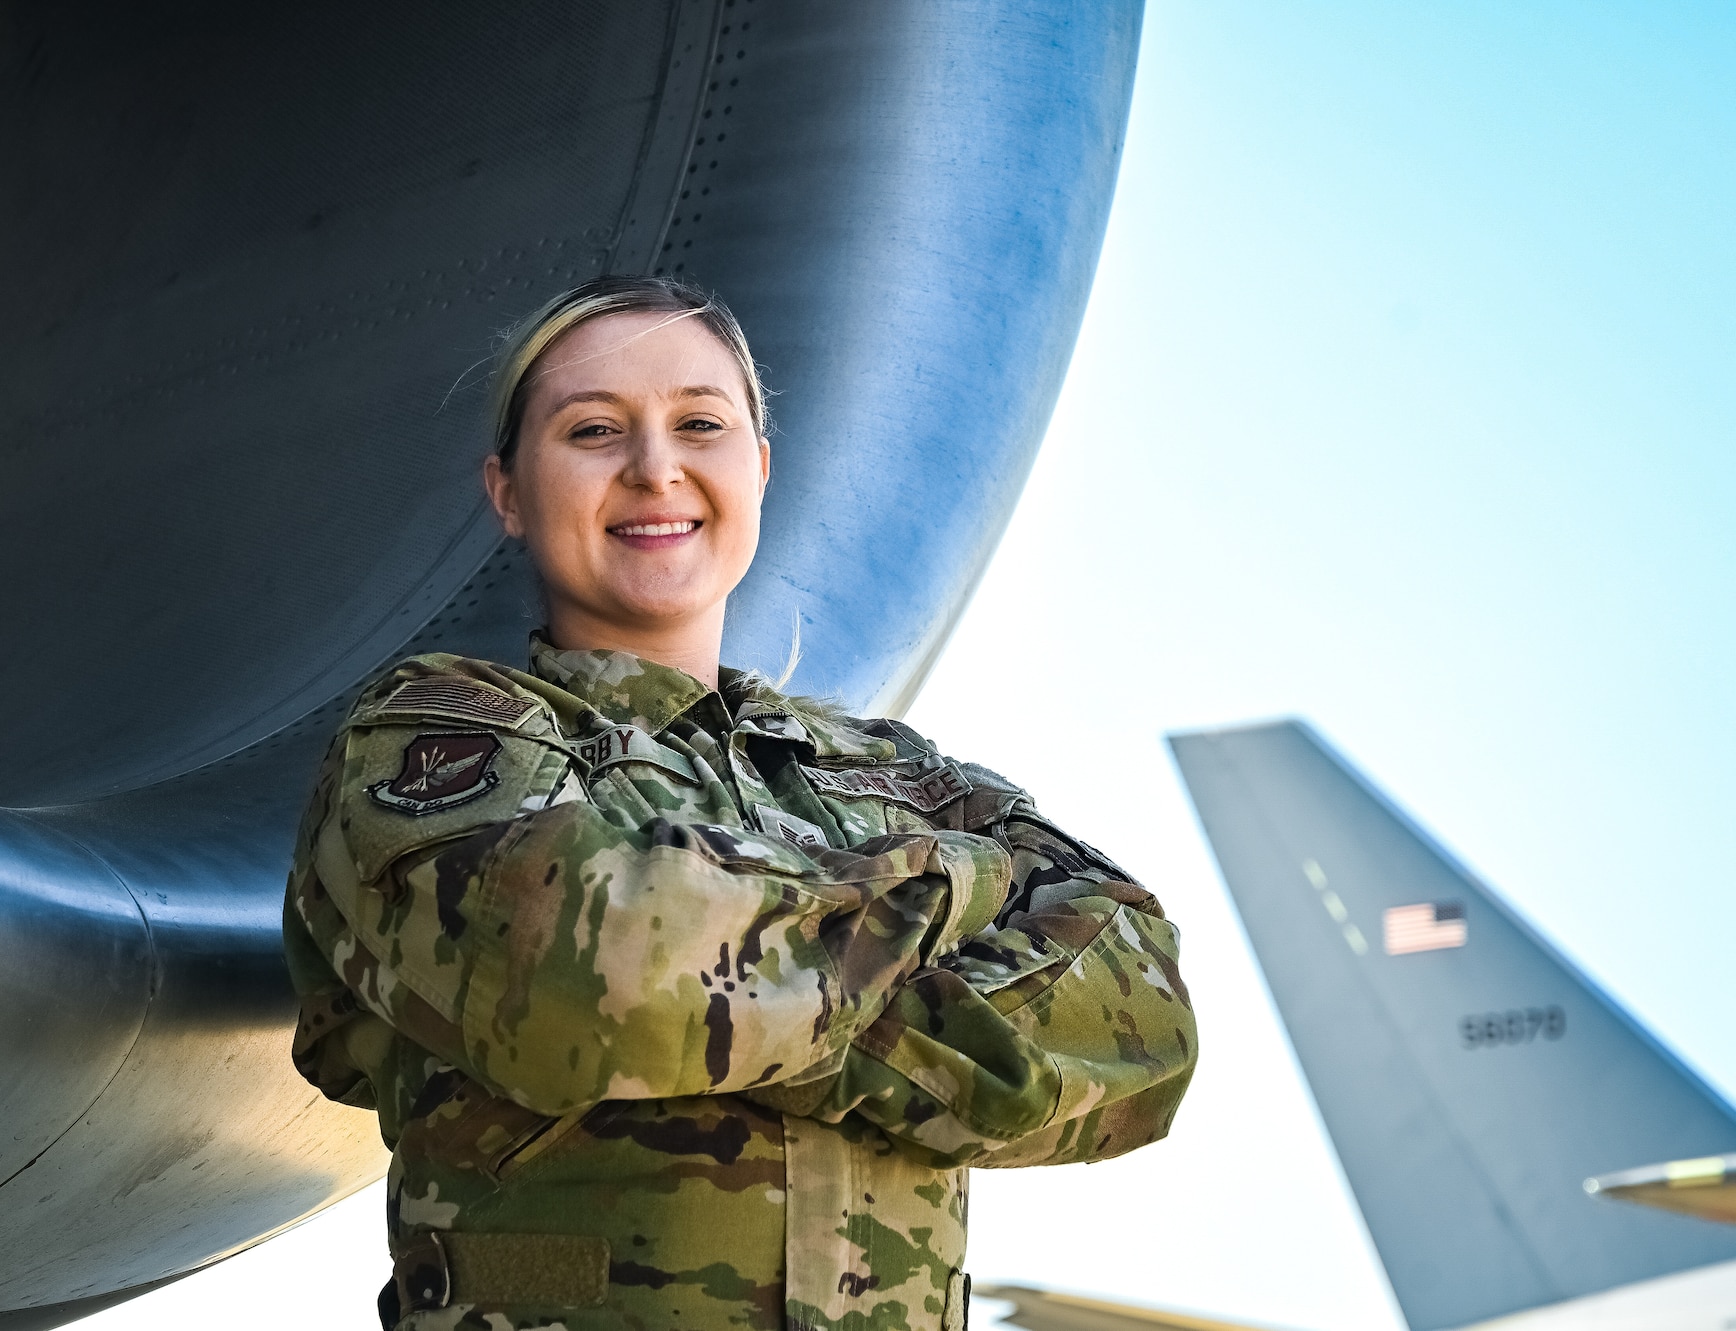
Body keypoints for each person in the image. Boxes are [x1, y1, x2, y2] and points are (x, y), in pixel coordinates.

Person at [283, 276, 1197, 1331]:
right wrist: (958, 890)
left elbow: (1143, 1019)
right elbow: (584, 978)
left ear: (756, 468)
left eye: (699, 423)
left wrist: (734, 994)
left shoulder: (898, 772)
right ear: (508, 490)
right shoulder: (434, 733)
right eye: (592, 430)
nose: (655, 467)